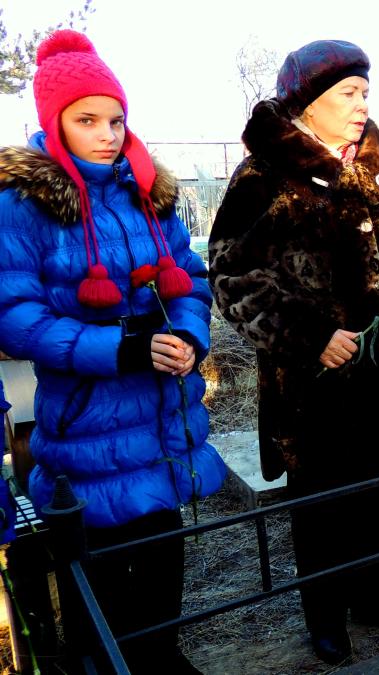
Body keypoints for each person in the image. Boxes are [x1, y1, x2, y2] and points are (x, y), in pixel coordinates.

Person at [208, 40, 379, 666]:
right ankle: (325, 618)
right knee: (322, 504)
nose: (361, 103)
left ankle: (375, 596)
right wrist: (311, 336)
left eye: (365, 91)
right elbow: (232, 277)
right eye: (348, 92)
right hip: (313, 382)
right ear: (308, 102)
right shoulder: (265, 174)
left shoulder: (375, 159)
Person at [0, 30, 226, 673]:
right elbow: (15, 318)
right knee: (96, 569)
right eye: (87, 120)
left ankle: (162, 654)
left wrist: (189, 337)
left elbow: (191, 277)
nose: (107, 134)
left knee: (162, 549)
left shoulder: (147, 192)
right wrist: (120, 348)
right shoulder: (23, 206)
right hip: (89, 423)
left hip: (160, 417)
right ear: (55, 123)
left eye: (116, 120)